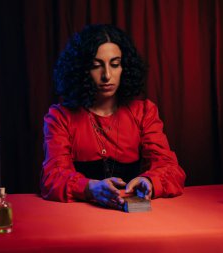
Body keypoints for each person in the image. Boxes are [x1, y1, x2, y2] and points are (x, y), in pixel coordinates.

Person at [41, 24, 185, 210]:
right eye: (96, 66)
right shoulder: (60, 117)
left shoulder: (144, 112)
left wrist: (149, 181)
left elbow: (171, 169)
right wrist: (88, 188)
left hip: (133, 219)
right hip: (79, 217)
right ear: (82, 70)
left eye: (115, 64)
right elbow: (52, 177)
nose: (107, 75)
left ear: (125, 68)